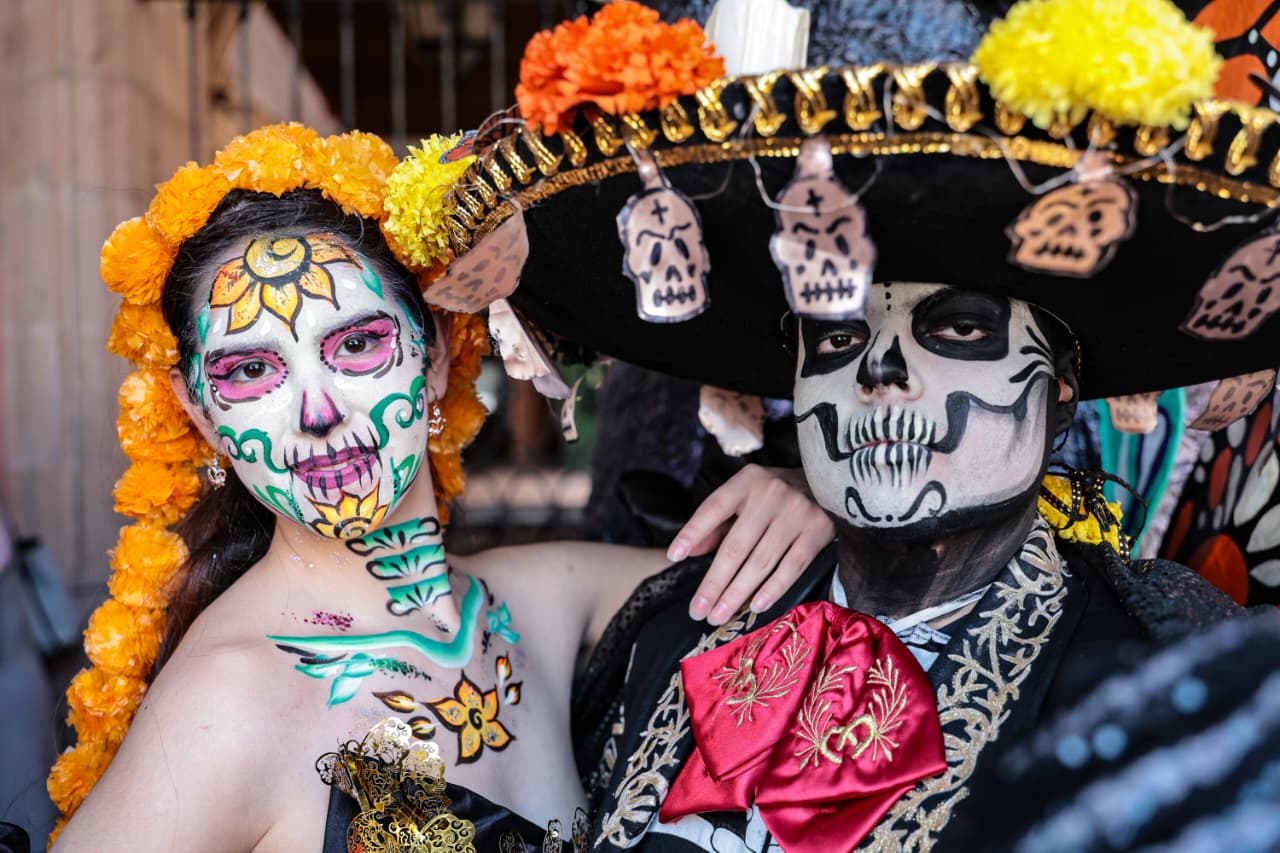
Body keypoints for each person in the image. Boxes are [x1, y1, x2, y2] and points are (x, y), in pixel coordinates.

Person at [435, 0, 1280, 848]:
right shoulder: (676, 633)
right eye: (838, 337)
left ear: (1060, 391)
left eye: (958, 329)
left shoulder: (1157, 688)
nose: (880, 370)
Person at [45, 124, 833, 852]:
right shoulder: (225, 703)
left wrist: (805, 488)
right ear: (200, 412)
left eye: (356, 343)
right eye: (252, 369)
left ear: (436, 355)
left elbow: (789, 595)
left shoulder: (541, 602)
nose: (317, 412)